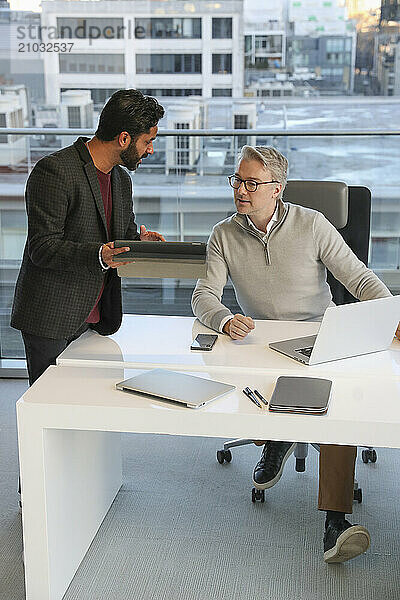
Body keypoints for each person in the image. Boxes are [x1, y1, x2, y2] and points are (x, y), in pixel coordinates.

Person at [192, 144, 399, 564]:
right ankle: (276, 439)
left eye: (252, 183)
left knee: (336, 414)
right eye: (238, 181)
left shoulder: (312, 224)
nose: (241, 191)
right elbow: (203, 295)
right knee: (251, 387)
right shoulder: (223, 234)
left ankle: (335, 523)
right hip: (260, 342)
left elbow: (358, 278)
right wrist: (223, 318)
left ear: (277, 189)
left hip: (320, 337)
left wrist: (390, 315)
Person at [11, 89, 165, 386]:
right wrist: (99, 255)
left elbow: (119, 237)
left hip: (95, 318)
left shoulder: (121, 180)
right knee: (51, 409)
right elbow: (42, 248)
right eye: (148, 141)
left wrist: (139, 243)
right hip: (51, 318)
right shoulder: (54, 171)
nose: (150, 150)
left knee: (87, 407)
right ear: (124, 138)